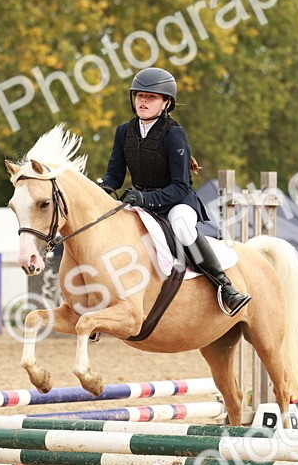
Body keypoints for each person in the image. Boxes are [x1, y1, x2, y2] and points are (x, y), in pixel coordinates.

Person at [97, 67, 251, 316]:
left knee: (180, 224)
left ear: (166, 102)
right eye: (139, 96)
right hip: (142, 202)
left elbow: (181, 186)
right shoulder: (123, 132)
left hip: (176, 202)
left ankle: (225, 286)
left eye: (151, 97)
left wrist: (146, 198)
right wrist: (103, 187)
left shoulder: (174, 134)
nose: (143, 101)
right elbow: (114, 175)